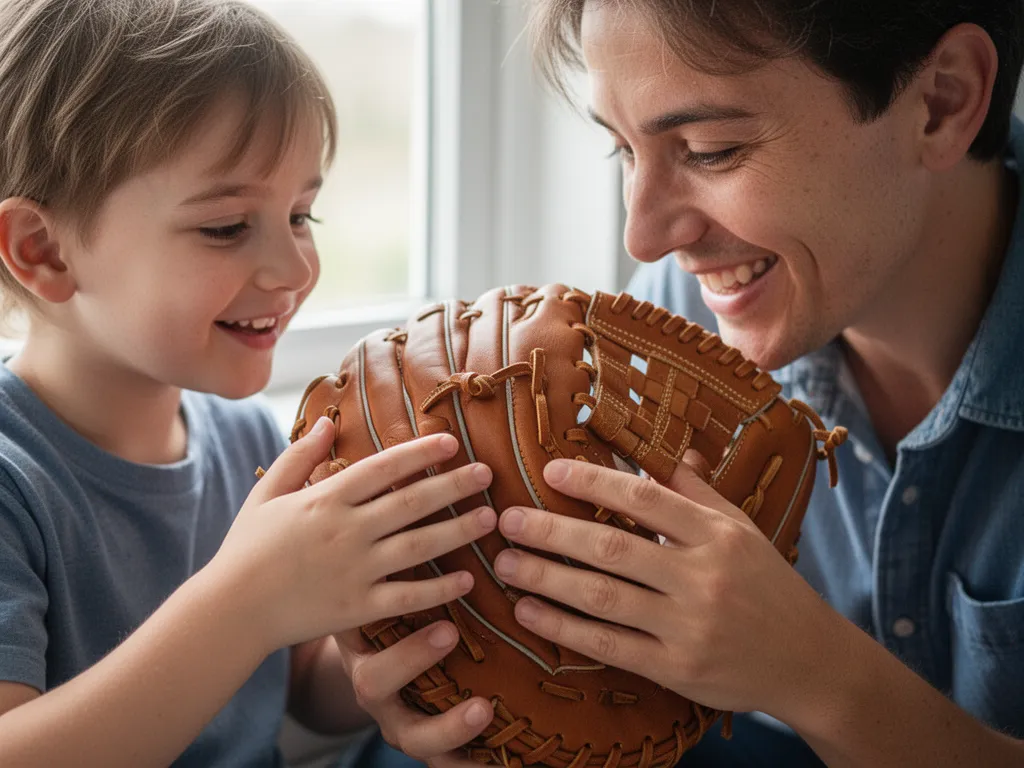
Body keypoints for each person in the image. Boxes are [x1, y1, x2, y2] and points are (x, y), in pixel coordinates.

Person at [348, 1, 1024, 766]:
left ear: (943, 101)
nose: (644, 235)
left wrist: (820, 677)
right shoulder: (678, 327)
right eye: (622, 152)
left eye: (711, 150)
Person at [0, 1, 500, 765]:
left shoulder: (251, 439)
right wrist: (246, 604)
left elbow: (295, 686)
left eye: (303, 215)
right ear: (45, 252)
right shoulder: (14, 482)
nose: (296, 269)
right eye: (227, 227)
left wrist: (407, 643)